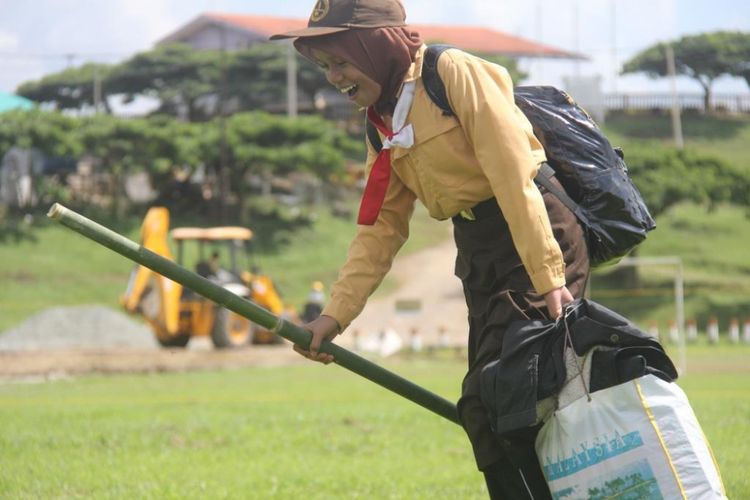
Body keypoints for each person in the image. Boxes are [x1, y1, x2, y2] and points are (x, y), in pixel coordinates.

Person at [271, 1, 589, 498]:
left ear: (373, 45)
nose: (334, 77)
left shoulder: (452, 73)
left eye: (341, 60)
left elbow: (512, 176)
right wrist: (331, 319)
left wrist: (550, 277)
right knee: (484, 410)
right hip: (478, 251)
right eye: (324, 66)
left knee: (509, 395)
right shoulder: (380, 121)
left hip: (537, 231)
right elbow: (380, 229)